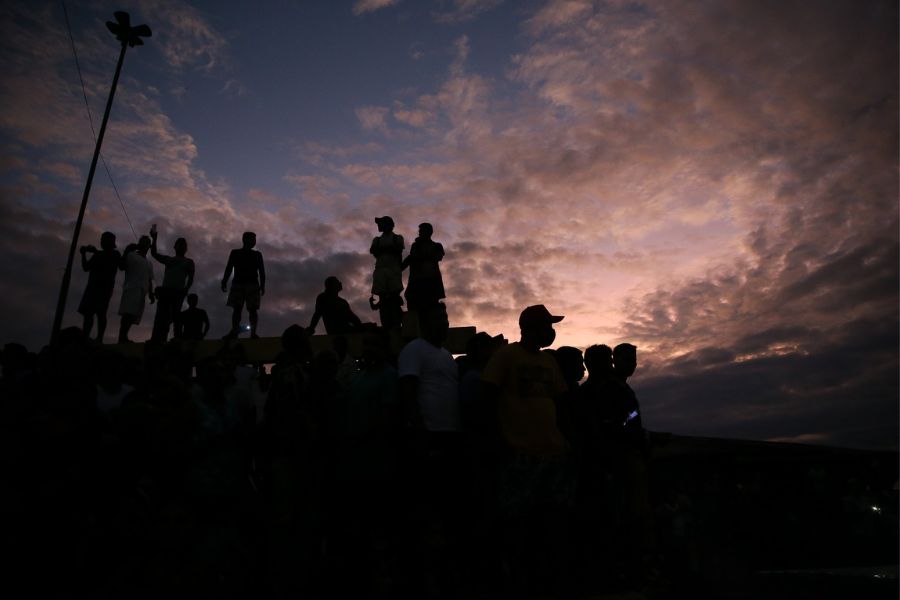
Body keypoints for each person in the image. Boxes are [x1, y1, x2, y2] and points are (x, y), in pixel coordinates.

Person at [480, 304, 573, 596]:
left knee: (550, 523)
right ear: (532, 328)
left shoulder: (549, 362)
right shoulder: (506, 356)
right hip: (519, 455)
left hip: (553, 455)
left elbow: (562, 403)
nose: (551, 331)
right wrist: (500, 443)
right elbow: (486, 399)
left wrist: (566, 443)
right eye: (547, 325)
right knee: (517, 525)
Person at [149, 228, 195, 342]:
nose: (181, 246)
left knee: (176, 316)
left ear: (186, 248)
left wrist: (186, 289)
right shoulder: (168, 259)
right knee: (161, 316)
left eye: (183, 245)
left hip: (178, 291)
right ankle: (157, 338)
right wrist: (154, 239)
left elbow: (191, 278)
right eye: (179, 244)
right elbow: (154, 254)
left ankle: (177, 337)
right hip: (166, 291)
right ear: (175, 247)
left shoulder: (189, 262)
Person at [77, 231, 121, 342]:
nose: (101, 241)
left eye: (104, 239)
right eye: (102, 239)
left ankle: (99, 338)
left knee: (100, 313)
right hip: (94, 288)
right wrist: (84, 254)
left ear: (110, 242)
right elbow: (86, 267)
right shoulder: (99, 254)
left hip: (103, 289)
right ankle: (86, 337)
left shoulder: (115, 254)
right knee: (90, 314)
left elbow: (113, 261)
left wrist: (89, 252)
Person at [221, 231, 265, 339]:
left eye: (254, 240)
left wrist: (263, 285)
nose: (254, 242)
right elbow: (229, 268)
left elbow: (262, 271)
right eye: (252, 239)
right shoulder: (235, 253)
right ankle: (235, 332)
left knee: (252, 310)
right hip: (239, 283)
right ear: (244, 240)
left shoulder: (257, 254)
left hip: (252, 284)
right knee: (237, 309)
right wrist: (224, 280)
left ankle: (253, 333)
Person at [116, 236, 155, 343]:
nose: (144, 244)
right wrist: (126, 251)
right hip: (131, 288)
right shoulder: (131, 255)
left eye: (147, 242)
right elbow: (121, 266)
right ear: (139, 243)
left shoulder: (149, 263)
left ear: (149, 246)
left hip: (142, 292)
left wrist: (151, 293)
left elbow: (150, 279)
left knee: (133, 315)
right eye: (142, 242)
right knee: (127, 313)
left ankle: (124, 337)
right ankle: (122, 338)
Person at [369, 216, 404, 329]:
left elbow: (397, 249)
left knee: (394, 298)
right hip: (380, 271)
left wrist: (382, 250)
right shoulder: (377, 239)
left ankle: (396, 325)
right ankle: (386, 326)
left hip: (393, 271)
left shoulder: (397, 238)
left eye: (381, 223)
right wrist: (389, 249)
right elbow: (373, 251)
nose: (379, 226)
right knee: (383, 299)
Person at [402, 222, 445, 312]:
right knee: (413, 306)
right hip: (416, 281)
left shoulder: (436, 246)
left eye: (421, 231)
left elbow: (438, 257)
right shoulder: (415, 245)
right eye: (420, 231)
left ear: (428, 232)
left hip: (430, 282)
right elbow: (410, 258)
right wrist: (399, 268)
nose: (419, 232)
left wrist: (419, 256)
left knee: (430, 308)